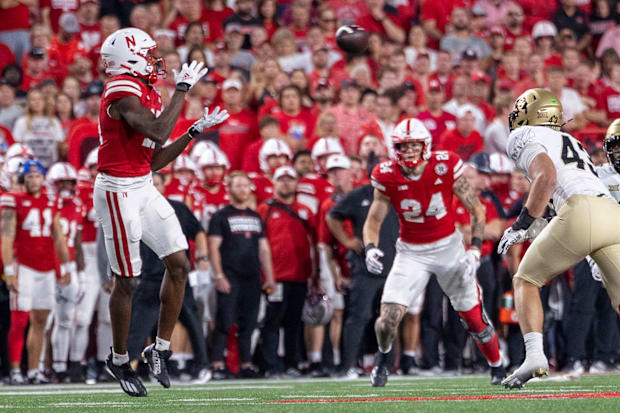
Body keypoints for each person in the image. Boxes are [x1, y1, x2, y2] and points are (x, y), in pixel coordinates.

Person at [93, 28, 228, 397]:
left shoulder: (149, 90)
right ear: (129, 58)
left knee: (180, 264)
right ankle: (119, 358)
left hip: (141, 184)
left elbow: (152, 160)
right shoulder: (120, 88)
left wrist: (194, 131)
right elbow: (156, 128)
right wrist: (183, 91)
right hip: (117, 190)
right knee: (128, 281)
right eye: (149, 53)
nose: (156, 60)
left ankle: (160, 349)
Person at [362, 118, 505, 387]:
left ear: (425, 145)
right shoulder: (386, 174)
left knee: (473, 319)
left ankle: (497, 366)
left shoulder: (446, 164)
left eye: (414, 146)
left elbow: (476, 210)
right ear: (395, 149)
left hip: (448, 248)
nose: (409, 152)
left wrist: (474, 248)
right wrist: (369, 248)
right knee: (386, 321)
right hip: (410, 252)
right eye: (404, 147)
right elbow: (373, 220)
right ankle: (383, 360)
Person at [496, 91, 620, 388]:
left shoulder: (523, 135)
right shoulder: (572, 141)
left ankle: (535, 356)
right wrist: (591, 254)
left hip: (581, 211)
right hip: (612, 215)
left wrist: (521, 224)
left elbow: (547, 177)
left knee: (525, 279)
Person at [127, 172, 211, 384]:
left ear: (165, 186)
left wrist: (203, 257)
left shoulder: (178, 208)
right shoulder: (136, 209)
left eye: (157, 183)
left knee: (192, 321)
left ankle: (202, 365)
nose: (153, 187)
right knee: (140, 328)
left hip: (176, 278)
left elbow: (199, 232)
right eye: (150, 184)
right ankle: (131, 369)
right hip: (150, 276)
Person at [1, 159, 74, 385]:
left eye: (37, 176)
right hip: (24, 267)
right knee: (20, 320)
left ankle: (34, 370)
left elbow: (58, 235)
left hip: (46, 268)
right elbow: (6, 236)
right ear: (23, 179)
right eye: (29, 176)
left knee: (41, 320)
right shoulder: (12, 200)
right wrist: (9, 270)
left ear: (43, 178)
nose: (34, 180)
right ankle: (15, 370)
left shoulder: (51, 201)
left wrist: (66, 265)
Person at [208, 171, 276, 378]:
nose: (242, 190)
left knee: (250, 323)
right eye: (237, 186)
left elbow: (264, 249)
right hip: (230, 275)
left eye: (245, 186)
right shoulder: (220, 216)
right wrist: (219, 275)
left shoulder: (256, 217)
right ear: (229, 189)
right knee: (225, 321)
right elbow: (213, 247)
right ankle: (218, 364)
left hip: (252, 278)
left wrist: (270, 276)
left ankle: (246, 365)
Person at [258, 165, 316, 377]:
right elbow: (260, 244)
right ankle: (271, 366)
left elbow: (314, 244)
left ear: (296, 183)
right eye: (281, 179)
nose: (285, 183)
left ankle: (292, 363)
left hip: (299, 276)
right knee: (272, 322)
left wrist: (315, 275)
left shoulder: (306, 211)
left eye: (289, 179)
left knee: (293, 322)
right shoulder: (265, 209)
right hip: (276, 277)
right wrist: (267, 276)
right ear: (274, 182)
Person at [47, 162, 86, 383]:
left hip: (69, 265)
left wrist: (80, 271)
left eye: (70, 182)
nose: (67, 187)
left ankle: (62, 368)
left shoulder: (77, 205)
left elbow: (78, 242)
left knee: (66, 319)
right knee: (46, 318)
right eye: (62, 182)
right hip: (49, 264)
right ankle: (43, 367)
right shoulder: (49, 205)